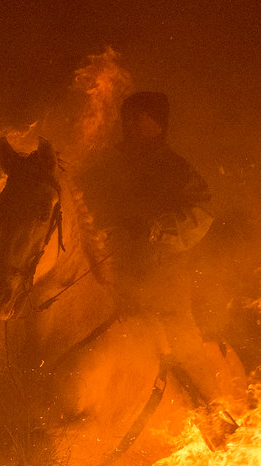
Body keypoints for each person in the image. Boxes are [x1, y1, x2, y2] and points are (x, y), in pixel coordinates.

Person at [80, 91, 237, 445]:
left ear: (158, 123)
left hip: (160, 277)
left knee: (181, 339)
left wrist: (153, 228)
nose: (132, 123)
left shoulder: (175, 170)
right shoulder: (107, 166)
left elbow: (201, 214)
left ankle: (215, 418)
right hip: (106, 271)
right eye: (128, 116)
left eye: (141, 117)